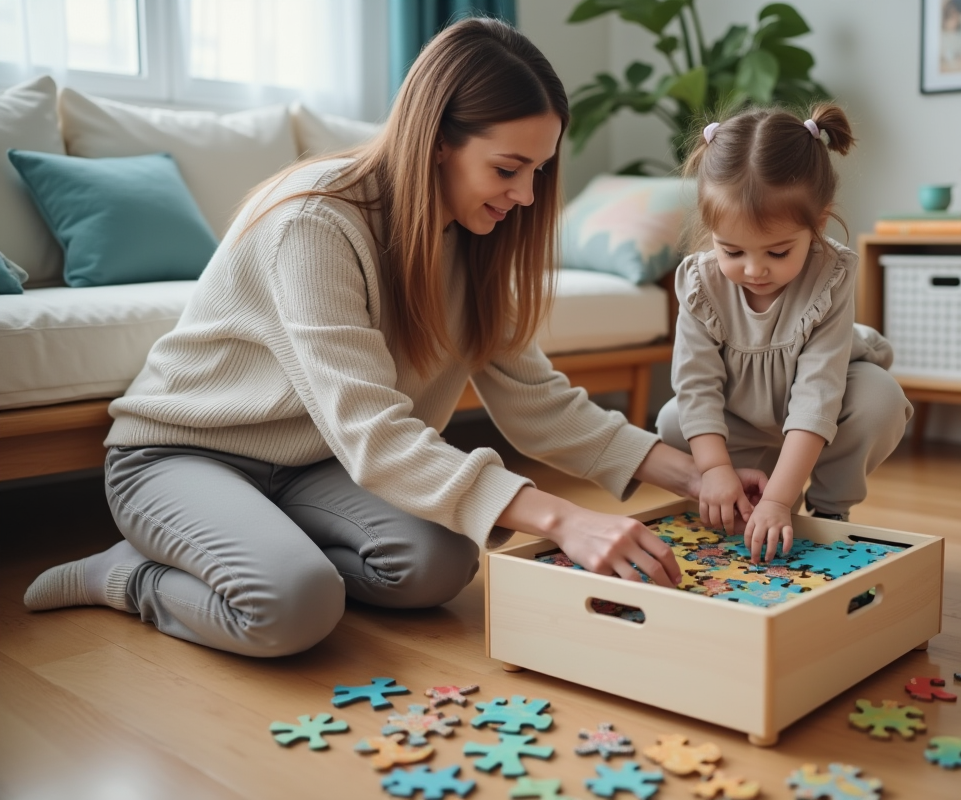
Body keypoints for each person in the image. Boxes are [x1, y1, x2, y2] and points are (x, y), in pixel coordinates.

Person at [22, 18, 766, 657]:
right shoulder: (313, 224)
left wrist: (696, 476)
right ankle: (128, 576)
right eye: (508, 169)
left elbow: (539, 400)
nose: (526, 196)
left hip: (316, 462)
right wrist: (563, 516)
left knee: (439, 563)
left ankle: (259, 544)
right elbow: (376, 435)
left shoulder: (474, 239)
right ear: (437, 138)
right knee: (293, 608)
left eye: (538, 170)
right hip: (182, 453)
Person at [655, 105, 912, 566]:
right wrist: (715, 471)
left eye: (777, 250)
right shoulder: (699, 282)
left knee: (881, 400)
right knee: (673, 420)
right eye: (731, 250)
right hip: (743, 413)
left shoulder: (830, 274)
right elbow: (695, 386)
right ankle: (745, 499)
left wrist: (780, 500)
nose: (754, 270)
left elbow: (817, 394)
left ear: (818, 222)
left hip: (825, 409)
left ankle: (829, 508)